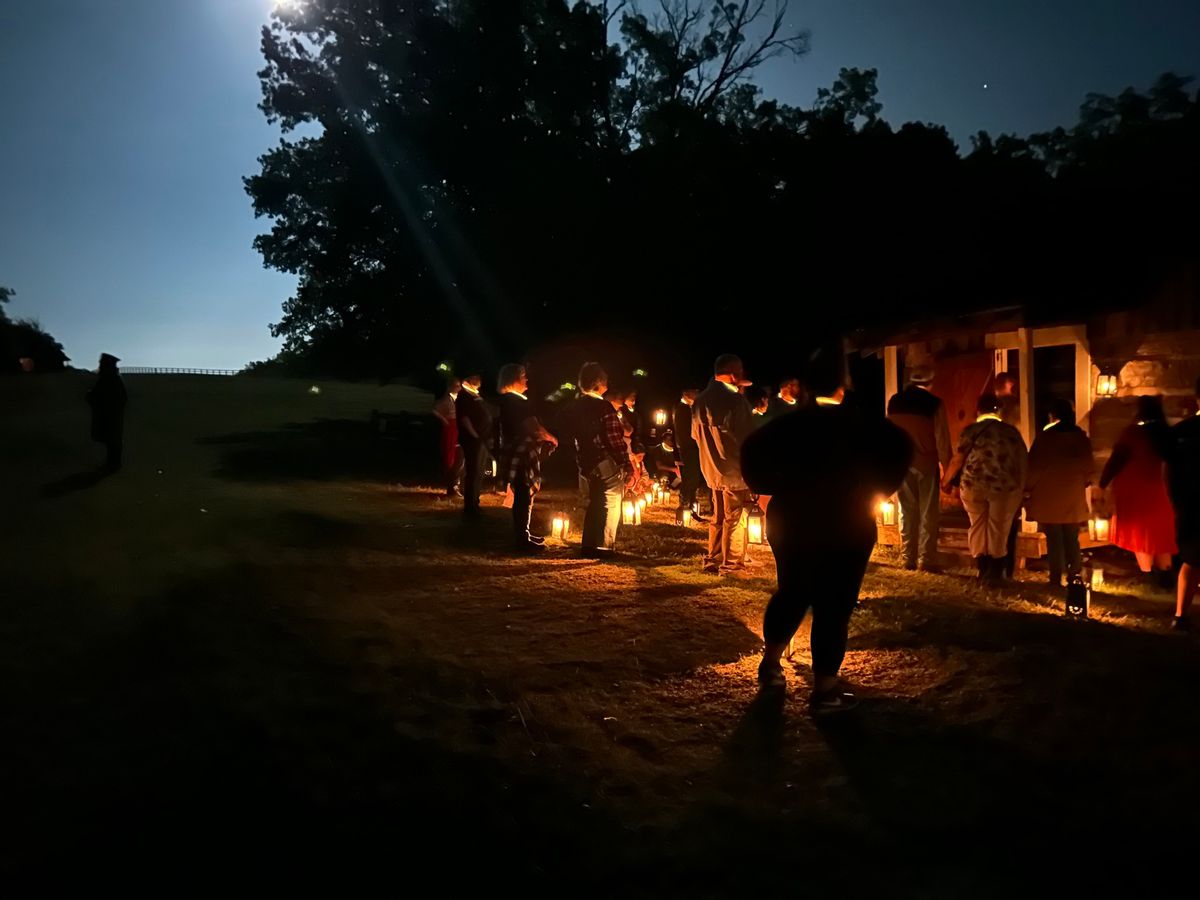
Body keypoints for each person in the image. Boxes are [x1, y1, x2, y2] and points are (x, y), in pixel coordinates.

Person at [743, 351, 912, 713]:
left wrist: (770, 484)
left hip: (793, 518)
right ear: (843, 388)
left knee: (791, 591)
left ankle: (771, 664)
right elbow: (900, 449)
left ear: (803, 386)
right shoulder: (866, 427)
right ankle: (824, 689)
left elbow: (751, 456)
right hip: (846, 521)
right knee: (834, 604)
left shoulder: (788, 427)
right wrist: (877, 488)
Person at [942, 393, 1028, 583]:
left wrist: (946, 480)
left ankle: (982, 567)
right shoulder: (1011, 432)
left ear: (978, 410)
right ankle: (996, 572)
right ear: (999, 410)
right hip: (1004, 486)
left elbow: (958, 458)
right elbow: (1022, 459)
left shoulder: (971, 430)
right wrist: (1023, 486)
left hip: (973, 485)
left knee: (977, 525)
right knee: (999, 527)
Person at [1099, 395, 1177, 586]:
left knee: (1140, 534)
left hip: (1135, 490)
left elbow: (1117, 460)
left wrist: (1102, 483)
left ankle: (1147, 574)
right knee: (1161, 534)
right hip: (1160, 490)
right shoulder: (1166, 434)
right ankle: (1165, 576)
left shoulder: (1133, 434)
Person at [693, 354, 756, 575]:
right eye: (739, 371)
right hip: (735, 469)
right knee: (735, 518)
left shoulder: (700, 401)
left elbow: (695, 435)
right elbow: (748, 438)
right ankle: (731, 564)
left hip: (711, 468)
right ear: (732, 374)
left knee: (718, 516)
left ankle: (714, 557)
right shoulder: (736, 402)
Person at [564, 362, 634, 556]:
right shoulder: (604, 407)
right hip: (603, 459)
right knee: (611, 500)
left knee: (595, 501)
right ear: (599, 382)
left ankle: (588, 544)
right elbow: (614, 438)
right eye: (605, 380)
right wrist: (626, 463)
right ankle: (604, 545)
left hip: (585, 460)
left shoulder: (575, 406)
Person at [886, 366, 951, 571]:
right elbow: (942, 439)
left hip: (902, 462)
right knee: (928, 512)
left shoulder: (895, 402)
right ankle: (926, 559)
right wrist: (948, 470)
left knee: (906, 510)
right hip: (926, 462)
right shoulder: (934, 404)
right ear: (930, 383)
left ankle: (908, 558)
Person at [1025, 399, 1095, 587]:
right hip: (1072, 494)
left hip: (1049, 495)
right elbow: (1089, 469)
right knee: (1071, 537)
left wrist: (1027, 488)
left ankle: (1055, 577)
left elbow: (1034, 467)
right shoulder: (1081, 439)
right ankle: (1074, 575)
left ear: (1052, 416)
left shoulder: (1045, 439)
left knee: (1054, 538)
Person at [497, 364, 558, 551]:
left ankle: (524, 534)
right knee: (523, 494)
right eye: (523, 375)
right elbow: (533, 427)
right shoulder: (516, 402)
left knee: (525, 494)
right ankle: (522, 539)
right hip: (521, 452)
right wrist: (552, 438)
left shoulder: (509, 400)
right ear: (513, 378)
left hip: (517, 450)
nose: (527, 379)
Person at [1163, 378, 1200, 630]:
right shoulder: (1182, 432)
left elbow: (1166, 469)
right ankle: (1180, 616)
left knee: (1192, 559)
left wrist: (1172, 498)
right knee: (1192, 559)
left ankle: (1181, 616)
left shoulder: (1182, 431)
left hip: (1187, 503)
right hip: (1189, 502)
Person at [455, 372, 492, 518]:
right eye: (475, 378)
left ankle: (475, 503)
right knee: (473, 472)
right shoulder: (464, 396)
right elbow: (465, 418)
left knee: (480, 472)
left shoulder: (476, 395)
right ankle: (470, 507)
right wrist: (475, 435)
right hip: (472, 440)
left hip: (481, 439)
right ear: (468, 380)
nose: (479, 380)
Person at [87, 353, 127, 471]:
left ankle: (113, 463)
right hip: (111, 414)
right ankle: (113, 462)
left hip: (110, 414)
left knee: (112, 439)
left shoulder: (109, 378)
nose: (100, 365)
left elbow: (103, 395)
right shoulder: (112, 377)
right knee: (112, 439)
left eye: (101, 363)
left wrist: (91, 397)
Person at [673, 388, 704, 521]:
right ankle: (685, 506)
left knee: (693, 478)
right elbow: (684, 431)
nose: (697, 395)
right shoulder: (683, 409)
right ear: (686, 393)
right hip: (688, 448)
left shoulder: (686, 408)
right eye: (694, 392)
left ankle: (690, 506)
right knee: (690, 478)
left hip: (690, 447)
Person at [433, 377, 464, 498]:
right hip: (451, 431)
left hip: (459, 431)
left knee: (460, 459)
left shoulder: (459, 399)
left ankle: (456, 484)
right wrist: (444, 420)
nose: (458, 388)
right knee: (452, 458)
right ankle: (452, 486)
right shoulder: (447, 400)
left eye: (459, 386)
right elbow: (435, 409)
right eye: (456, 386)